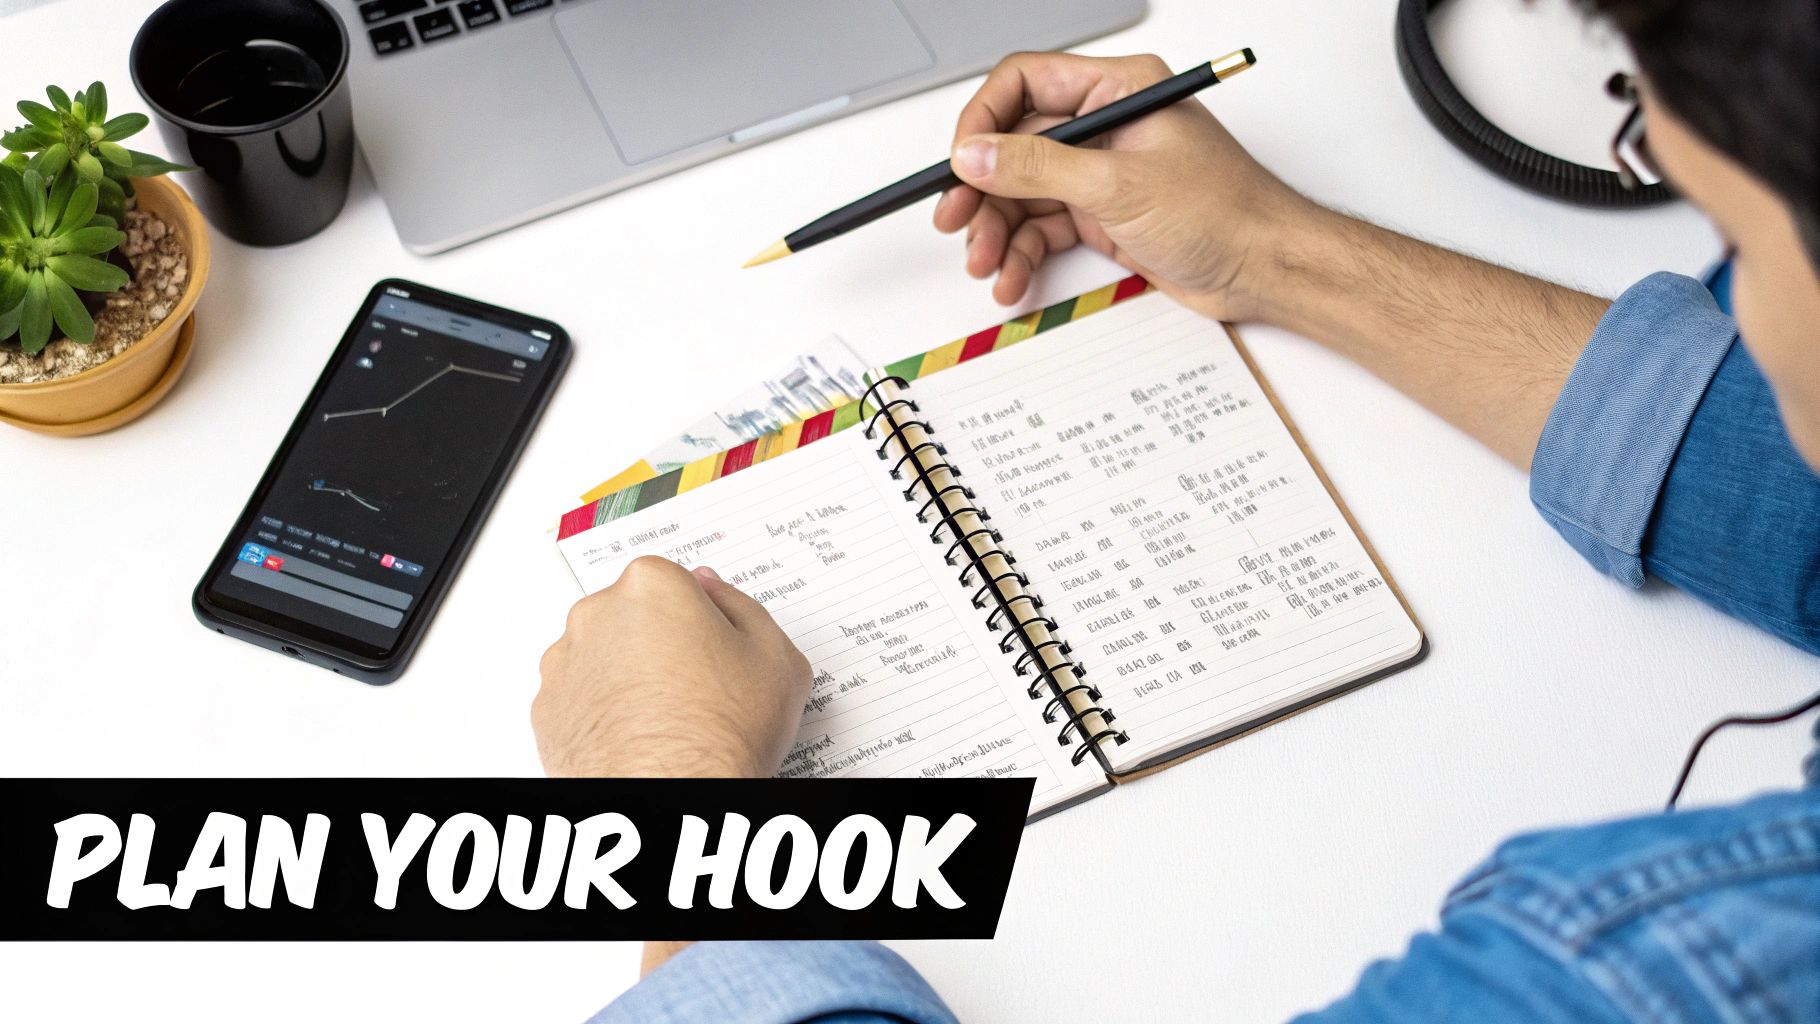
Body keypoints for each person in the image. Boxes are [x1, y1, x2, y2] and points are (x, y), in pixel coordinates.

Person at [532, 0, 1820, 1019]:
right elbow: (1773, 477)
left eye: (1737, 240)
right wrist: (1268, 245)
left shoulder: (1664, 971)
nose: (1724, 295)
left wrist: (676, 811)